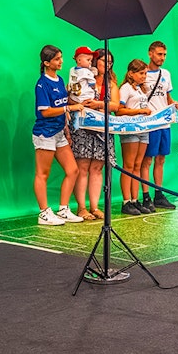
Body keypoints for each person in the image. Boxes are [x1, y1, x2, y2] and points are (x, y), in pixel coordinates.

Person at [33, 45, 86, 225]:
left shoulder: (60, 79)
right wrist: (69, 108)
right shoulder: (42, 84)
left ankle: (63, 209)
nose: (61, 61)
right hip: (44, 133)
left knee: (72, 170)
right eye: (57, 59)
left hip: (59, 133)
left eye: (61, 58)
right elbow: (45, 111)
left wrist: (66, 128)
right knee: (42, 174)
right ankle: (44, 213)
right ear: (47, 63)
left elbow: (63, 106)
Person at [72, 48, 117, 220]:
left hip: (102, 130)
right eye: (104, 61)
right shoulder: (80, 77)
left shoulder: (111, 83)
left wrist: (97, 103)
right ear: (94, 61)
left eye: (111, 62)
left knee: (97, 168)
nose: (108, 65)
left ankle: (95, 206)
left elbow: (115, 106)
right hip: (83, 127)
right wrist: (81, 102)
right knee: (82, 167)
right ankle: (81, 208)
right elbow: (71, 98)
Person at [141, 40, 178, 211]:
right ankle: (145, 196)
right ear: (150, 53)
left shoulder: (166, 73)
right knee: (147, 160)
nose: (162, 58)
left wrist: (174, 103)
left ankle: (159, 194)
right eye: (159, 54)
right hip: (149, 124)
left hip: (164, 122)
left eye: (164, 55)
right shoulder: (142, 74)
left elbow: (167, 97)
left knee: (161, 159)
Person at [117, 59, 153, 215]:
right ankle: (126, 202)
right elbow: (119, 110)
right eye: (141, 73)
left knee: (138, 165)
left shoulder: (140, 89)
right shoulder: (125, 88)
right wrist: (138, 112)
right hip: (130, 128)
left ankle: (134, 199)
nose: (144, 76)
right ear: (131, 73)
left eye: (145, 73)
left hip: (143, 128)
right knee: (129, 166)